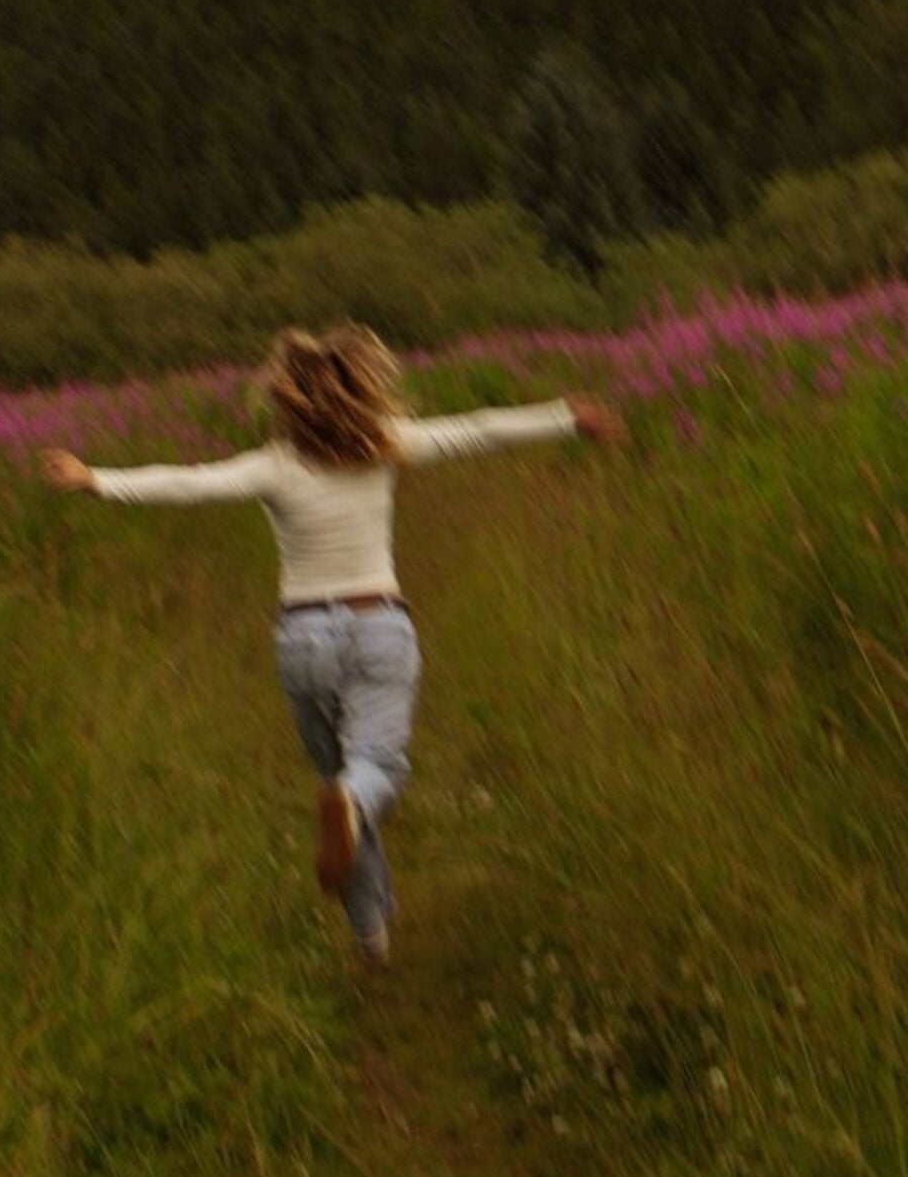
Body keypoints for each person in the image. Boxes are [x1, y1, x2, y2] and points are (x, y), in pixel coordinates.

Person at [40, 325, 625, 967]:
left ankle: (370, 934)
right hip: (378, 626)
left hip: (302, 640)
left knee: (338, 778)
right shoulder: (385, 445)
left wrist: (94, 478)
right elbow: (479, 429)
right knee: (376, 769)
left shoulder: (274, 467)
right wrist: (566, 416)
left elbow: (192, 482)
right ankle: (352, 817)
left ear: (288, 402)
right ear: (360, 390)